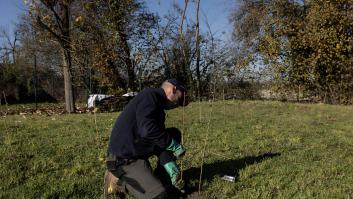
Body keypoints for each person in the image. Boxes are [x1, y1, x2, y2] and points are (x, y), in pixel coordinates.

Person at [104, 79, 188, 199]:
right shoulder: (150, 95)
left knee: (173, 134)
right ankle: (116, 179)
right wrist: (172, 144)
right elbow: (147, 130)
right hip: (124, 159)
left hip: (138, 149)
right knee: (160, 196)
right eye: (179, 100)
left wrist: (167, 161)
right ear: (174, 89)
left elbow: (157, 139)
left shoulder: (158, 107)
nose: (177, 105)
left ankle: (163, 181)